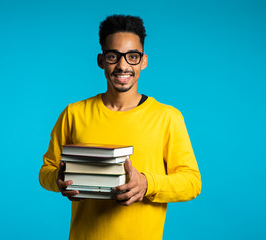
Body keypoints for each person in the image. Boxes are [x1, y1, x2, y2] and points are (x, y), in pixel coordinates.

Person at [39, 14, 201, 240]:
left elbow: (191, 182)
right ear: (101, 60)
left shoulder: (167, 117)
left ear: (143, 61)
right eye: (113, 56)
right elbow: (46, 171)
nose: (123, 65)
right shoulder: (73, 114)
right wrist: (58, 179)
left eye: (132, 56)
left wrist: (146, 184)